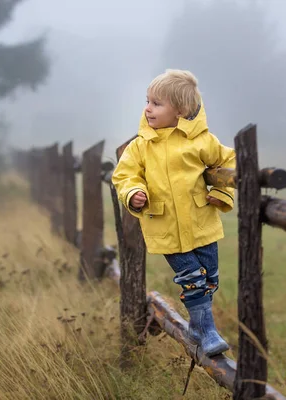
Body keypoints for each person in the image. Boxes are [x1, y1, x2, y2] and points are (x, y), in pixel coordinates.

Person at [112, 69, 236, 357]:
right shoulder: (141, 146)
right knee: (192, 279)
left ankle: (196, 325)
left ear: (179, 111)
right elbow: (124, 176)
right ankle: (207, 332)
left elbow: (228, 164)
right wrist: (133, 193)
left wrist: (220, 191)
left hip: (201, 222)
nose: (148, 108)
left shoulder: (202, 141)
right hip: (165, 226)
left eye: (157, 103)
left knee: (210, 278)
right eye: (147, 101)